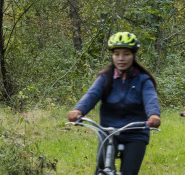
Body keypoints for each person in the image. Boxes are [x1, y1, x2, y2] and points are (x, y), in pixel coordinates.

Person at [67, 32, 161, 175]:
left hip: (135, 133)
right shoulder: (105, 77)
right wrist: (78, 110)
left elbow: (150, 99)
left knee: (129, 172)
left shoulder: (143, 79)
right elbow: (91, 95)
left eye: (126, 54)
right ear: (112, 56)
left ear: (133, 55)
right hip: (108, 131)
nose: (121, 58)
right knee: (101, 169)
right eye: (116, 54)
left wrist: (154, 115)